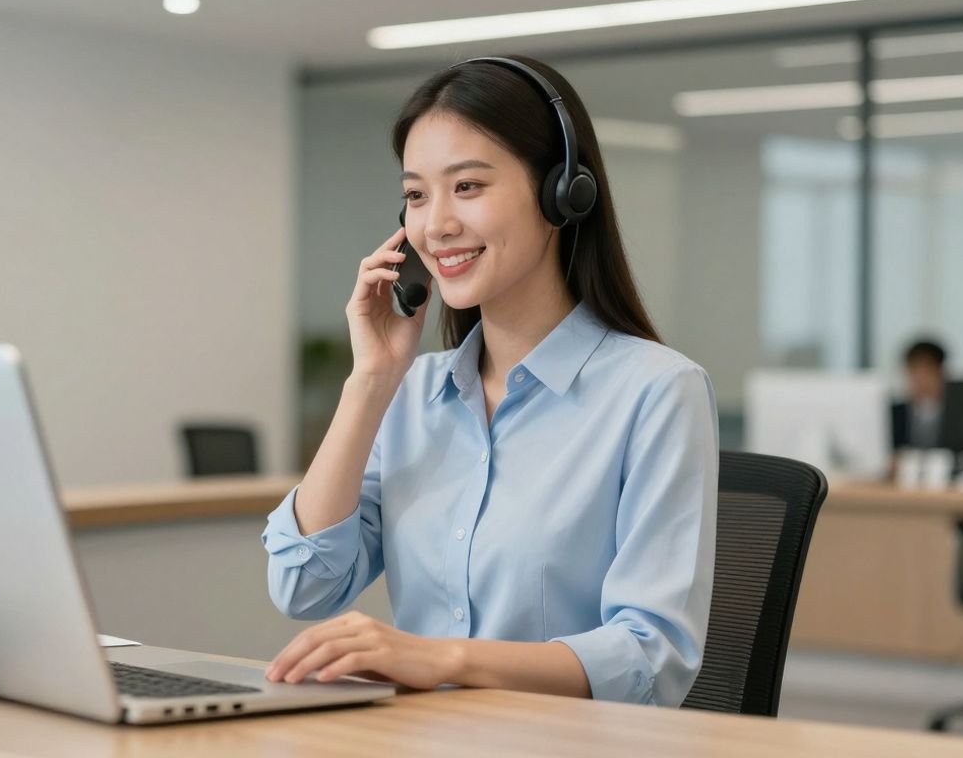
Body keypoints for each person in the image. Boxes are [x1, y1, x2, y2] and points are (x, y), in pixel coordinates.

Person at [261, 56, 718, 707]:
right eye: (417, 195)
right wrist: (370, 381)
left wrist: (442, 658)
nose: (436, 224)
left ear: (562, 191)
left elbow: (652, 655)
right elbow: (302, 585)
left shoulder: (657, 391)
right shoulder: (411, 395)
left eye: (468, 186)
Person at [892, 339, 947, 450]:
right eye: (915, 371)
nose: (922, 379)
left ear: (940, 373)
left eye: (928, 370)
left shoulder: (954, 413)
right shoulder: (895, 413)